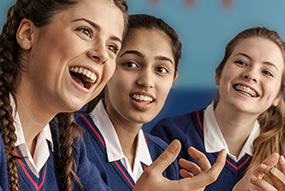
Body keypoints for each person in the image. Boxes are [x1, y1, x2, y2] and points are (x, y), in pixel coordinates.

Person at [0, 0, 226, 190]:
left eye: (112, 47)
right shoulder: (78, 142)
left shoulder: (66, 147)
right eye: (85, 31)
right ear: (28, 34)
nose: (101, 55)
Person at [76, 13, 226, 191]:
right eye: (131, 64)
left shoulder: (164, 158)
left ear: (173, 80)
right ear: (108, 66)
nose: (146, 81)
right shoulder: (68, 138)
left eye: (161, 69)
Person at [151, 27, 285, 191]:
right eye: (241, 62)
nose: (251, 75)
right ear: (218, 74)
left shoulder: (281, 153)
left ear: (278, 96)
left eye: (267, 72)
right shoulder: (170, 136)